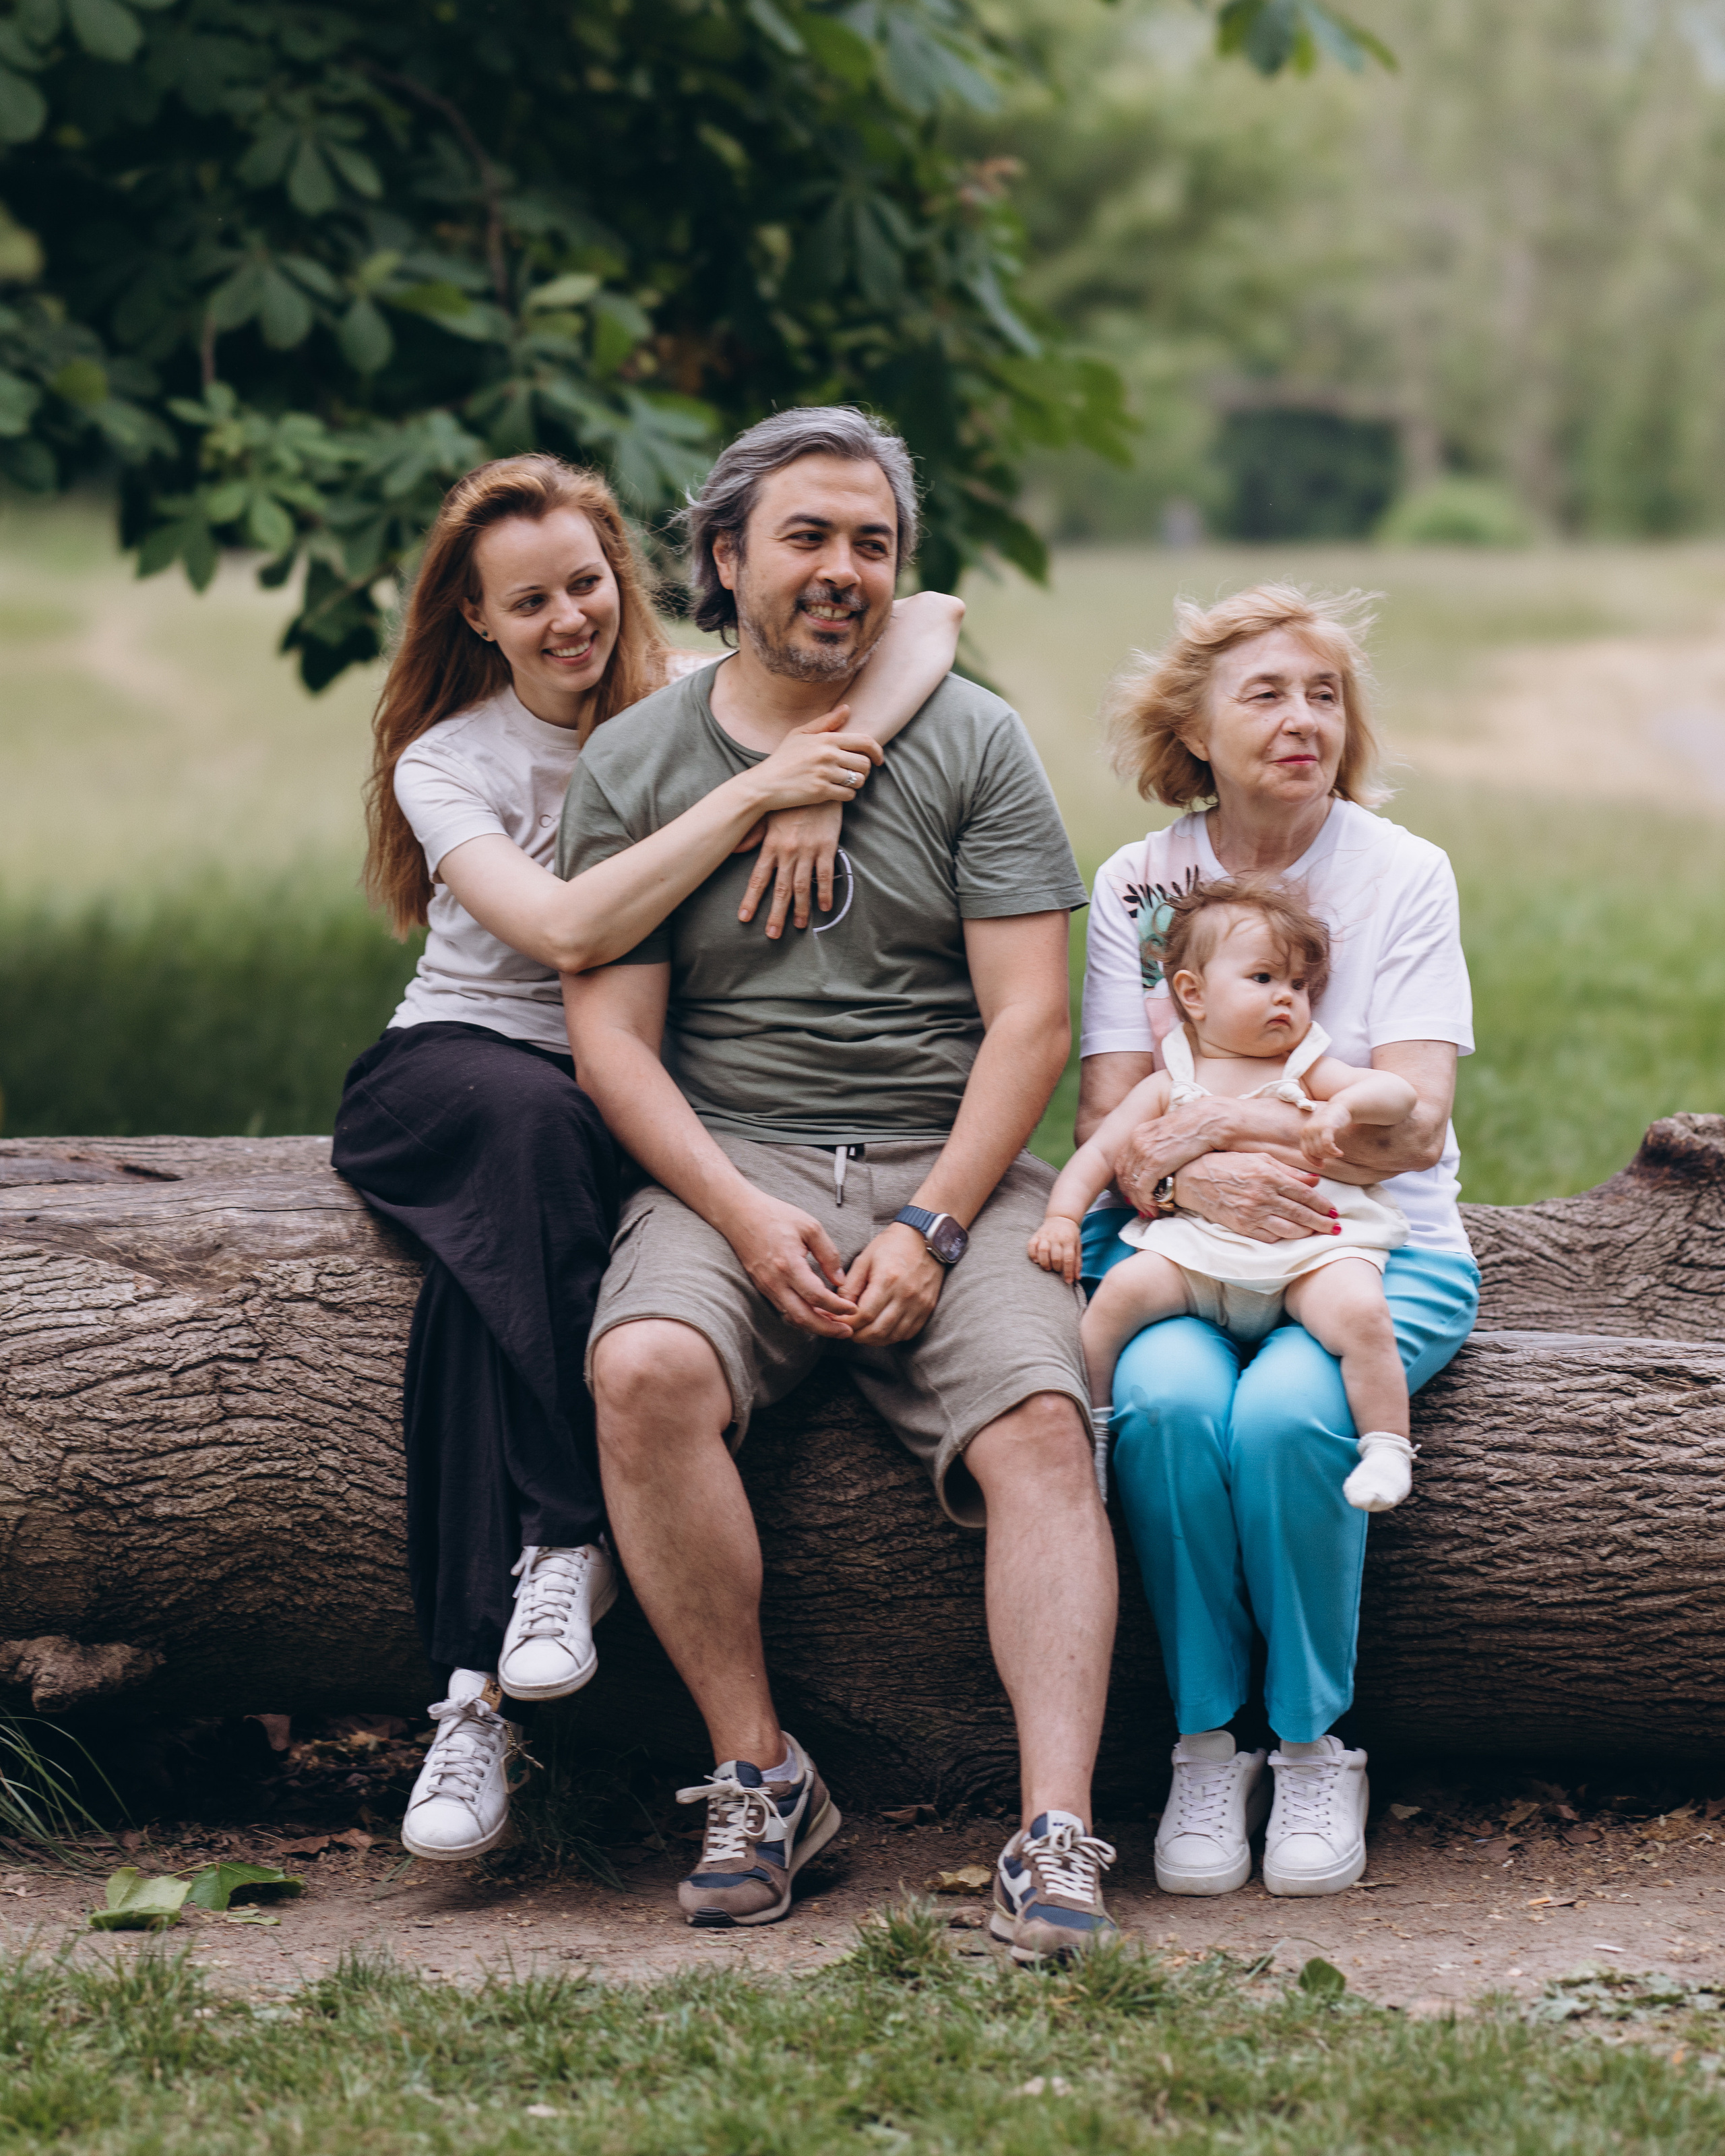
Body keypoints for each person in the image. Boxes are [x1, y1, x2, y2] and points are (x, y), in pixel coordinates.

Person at [330, 452, 962, 1861]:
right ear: (476, 620)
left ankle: (467, 1700)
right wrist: (757, 796)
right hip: (460, 1073)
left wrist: (814, 782)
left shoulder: (690, 695)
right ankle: (565, 1534)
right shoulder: (453, 760)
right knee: (535, 1132)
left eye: (585, 580)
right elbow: (559, 934)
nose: (568, 617)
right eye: (527, 599)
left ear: (626, 573)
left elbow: (933, 616)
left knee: (470, 1297)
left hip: (608, 1101)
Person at [559, 406, 1120, 1959]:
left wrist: (941, 1223)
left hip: (959, 1162)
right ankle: (759, 1780)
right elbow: (610, 1042)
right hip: (727, 1160)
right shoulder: (639, 761)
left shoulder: (971, 740)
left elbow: (1031, 1018)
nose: (842, 571)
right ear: (723, 558)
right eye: (805, 537)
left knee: (1040, 1421)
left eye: (872, 544)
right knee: (645, 1369)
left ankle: (1053, 1828)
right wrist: (736, 1214)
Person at [1077, 584, 1478, 1902]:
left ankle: (1310, 1746)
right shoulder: (1137, 887)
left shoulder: (1400, 873)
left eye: (1322, 694)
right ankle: (1205, 1746)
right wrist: (1197, 1173)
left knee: (1289, 1416)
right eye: (1263, 692)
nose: (1301, 717)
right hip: (1176, 1246)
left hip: (1366, 1246)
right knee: (1170, 1402)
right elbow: (1111, 1124)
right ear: (1190, 728)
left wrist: (1292, 1145)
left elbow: (1414, 1129)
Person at [1030, 874, 1418, 1515]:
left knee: (1362, 1313)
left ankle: (1387, 1446)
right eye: (1264, 979)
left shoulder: (1307, 1066)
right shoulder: (1170, 1080)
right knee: (1110, 1308)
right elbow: (1102, 1153)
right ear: (1193, 993)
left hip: (1307, 1253)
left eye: (1298, 985)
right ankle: (1092, 1439)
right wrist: (1063, 1216)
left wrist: (1342, 1107)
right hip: (1195, 1256)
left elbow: (1400, 1095)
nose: (1287, 999)